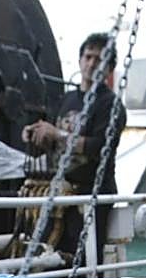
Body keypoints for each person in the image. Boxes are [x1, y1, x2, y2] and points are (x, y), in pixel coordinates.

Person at [21, 32, 127, 264]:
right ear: (79, 61)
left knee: (87, 259)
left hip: (92, 194)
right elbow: (50, 141)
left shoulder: (110, 105)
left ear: (109, 69)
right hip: (61, 194)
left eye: (98, 59)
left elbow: (100, 147)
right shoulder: (66, 99)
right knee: (51, 255)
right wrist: (35, 134)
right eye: (87, 57)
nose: (91, 64)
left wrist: (57, 134)